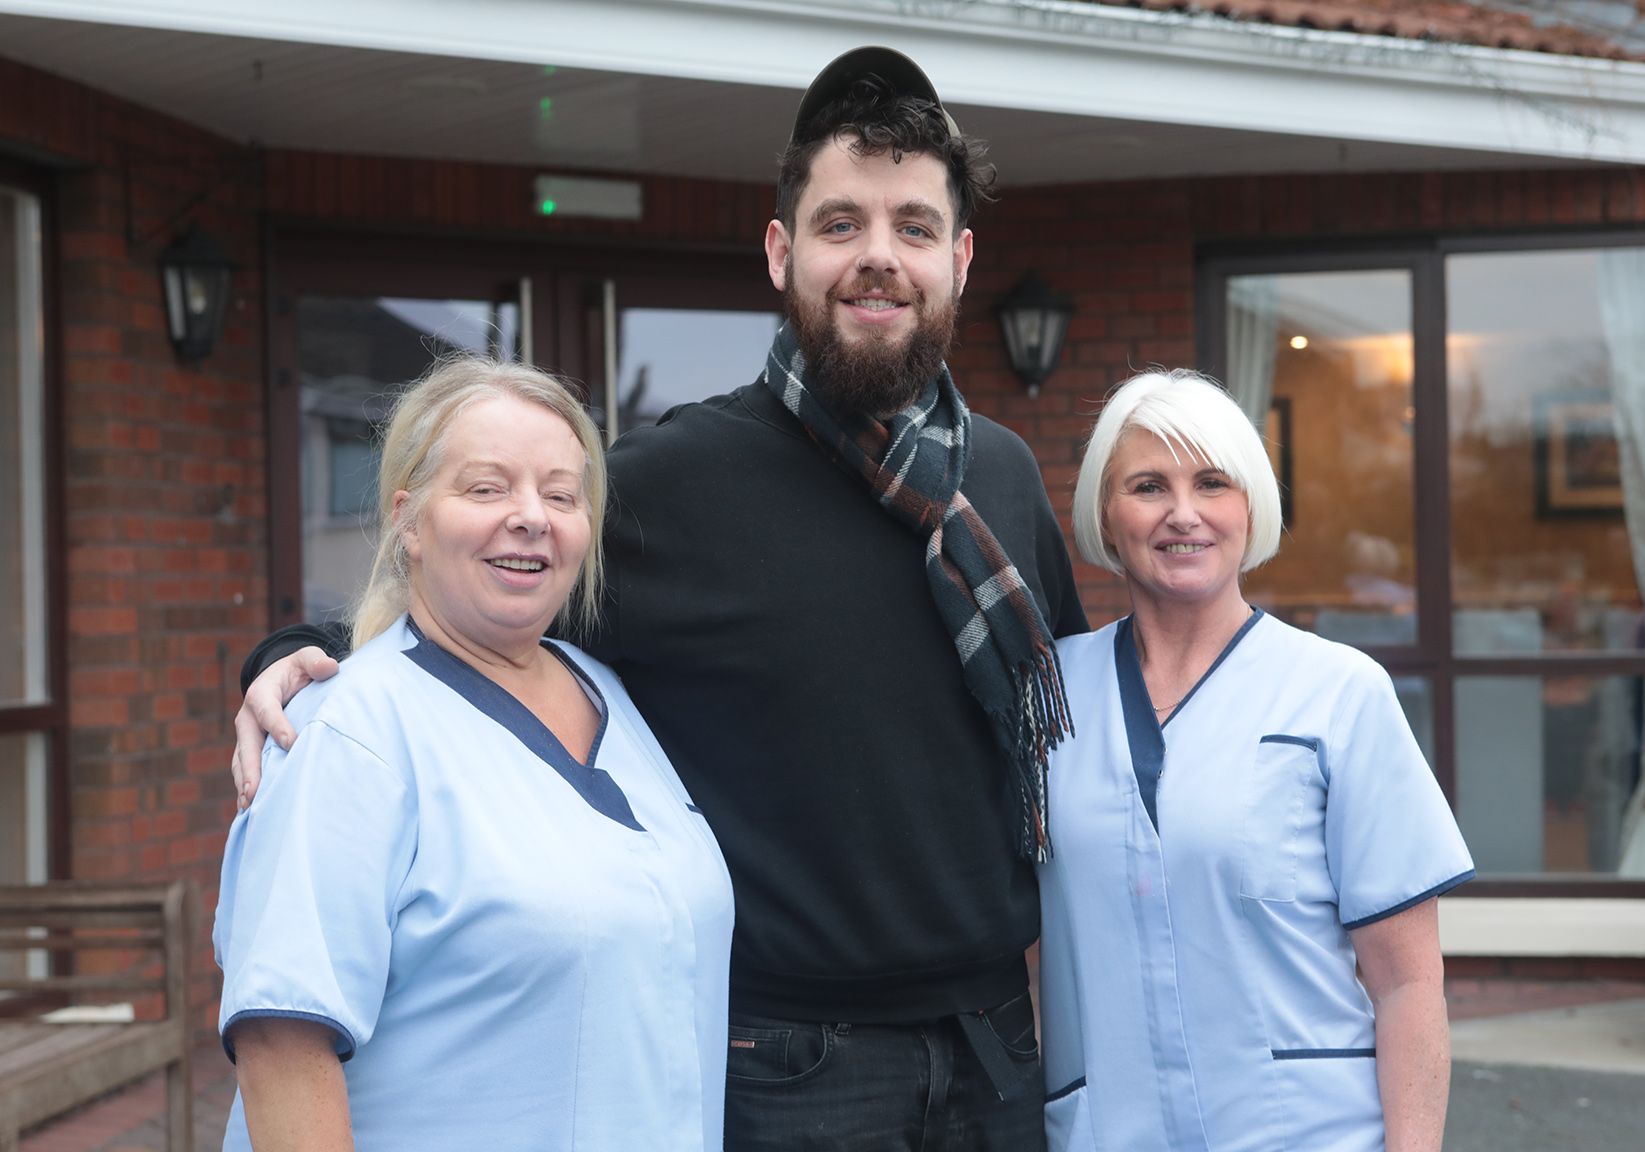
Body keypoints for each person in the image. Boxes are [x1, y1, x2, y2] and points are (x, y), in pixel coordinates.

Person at [231, 48, 1086, 1151]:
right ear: (782, 252)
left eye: (913, 228)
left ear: (960, 260)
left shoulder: (1003, 479)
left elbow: (1076, 714)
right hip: (788, 1065)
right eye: (840, 225)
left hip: (994, 1048)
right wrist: (290, 654)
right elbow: (482, 590)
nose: (879, 259)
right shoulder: (671, 483)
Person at [214, 358, 733, 1151]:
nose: (531, 516)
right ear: (409, 522)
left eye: (560, 494)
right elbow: (282, 1048)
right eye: (486, 488)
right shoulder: (346, 734)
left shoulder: (609, 695)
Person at [1037, 370, 1473, 1152]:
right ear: (1107, 513)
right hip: (1107, 1132)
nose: (1183, 513)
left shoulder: (1339, 695)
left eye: (1212, 482)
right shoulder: (1050, 697)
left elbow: (1409, 983)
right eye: (1147, 485)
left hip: (1306, 1133)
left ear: (1251, 505)